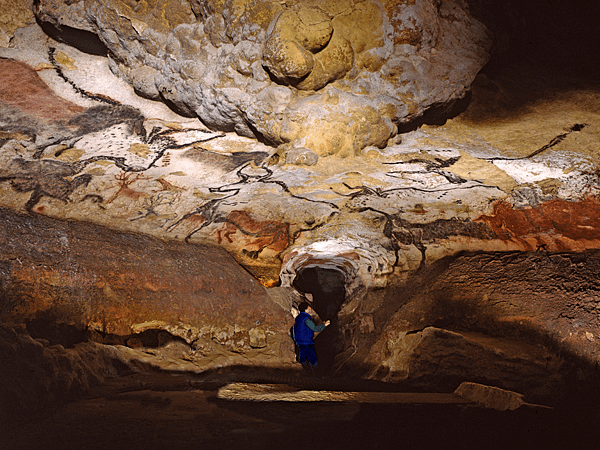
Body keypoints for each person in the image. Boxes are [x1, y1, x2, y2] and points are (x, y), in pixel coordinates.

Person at [292, 301, 330, 375]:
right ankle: (316, 376)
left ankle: (301, 374)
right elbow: (315, 328)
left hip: (299, 341)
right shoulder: (306, 318)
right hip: (306, 341)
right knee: (312, 359)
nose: (310, 309)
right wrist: (325, 325)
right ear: (306, 309)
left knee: (302, 358)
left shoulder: (298, 318)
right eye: (309, 307)